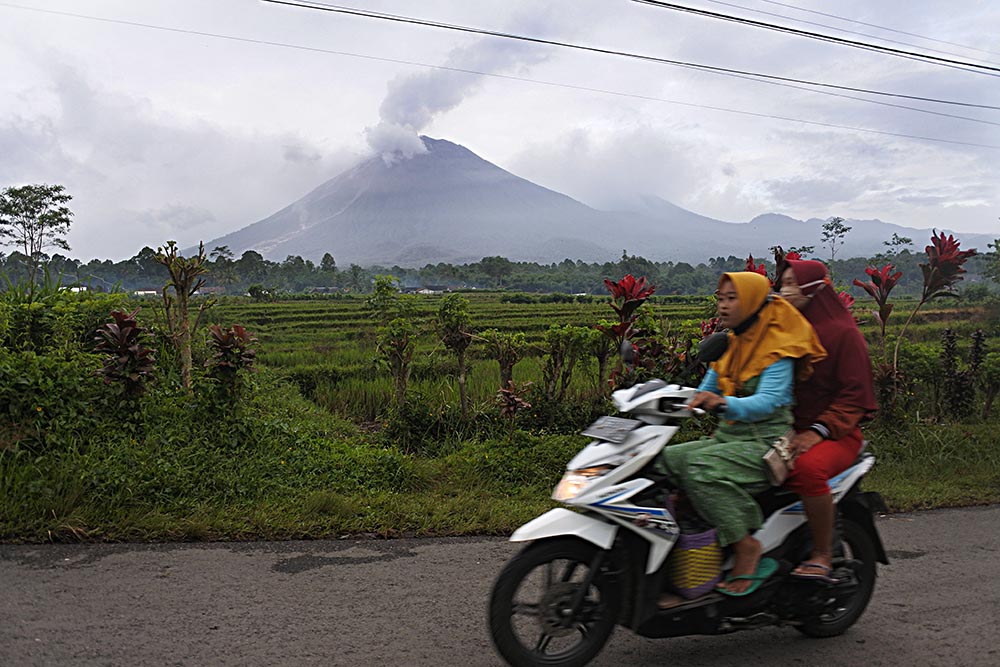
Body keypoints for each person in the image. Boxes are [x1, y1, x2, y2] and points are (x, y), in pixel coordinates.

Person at [660, 271, 826, 596]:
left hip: (764, 444)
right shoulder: (732, 343)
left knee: (699, 469)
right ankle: (680, 547)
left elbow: (767, 402)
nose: (722, 306)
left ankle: (745, 544)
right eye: (720, 299)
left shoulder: (778, 348)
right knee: (662, 459)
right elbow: (702, 391)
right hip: (728, 441)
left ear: (751, 301)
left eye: (731, 299)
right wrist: (661, 401)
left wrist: (722, 404)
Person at [778, 259, 877, 582]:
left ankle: (822, 553)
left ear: (814, 290)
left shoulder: (843, 334)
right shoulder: (787, 331)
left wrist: (817, 432)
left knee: (807, 470)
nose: (783, 291)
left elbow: (854, 396)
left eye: (791, 284)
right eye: (783, 283)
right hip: (788, 429)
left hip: (837, 434)